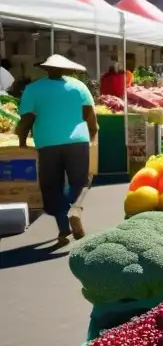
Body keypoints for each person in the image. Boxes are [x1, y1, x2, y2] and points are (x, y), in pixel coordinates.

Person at [16, 55, 97, 244]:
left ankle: (63, 229)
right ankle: (74, 209)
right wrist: (93, 133)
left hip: (48, 143)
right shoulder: (78, 86)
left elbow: (26, 120)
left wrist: (22, 141)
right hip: (78, 141)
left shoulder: (33, 89)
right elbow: (90, 115)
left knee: (52, 187)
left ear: (46, 69)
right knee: (79, 182)